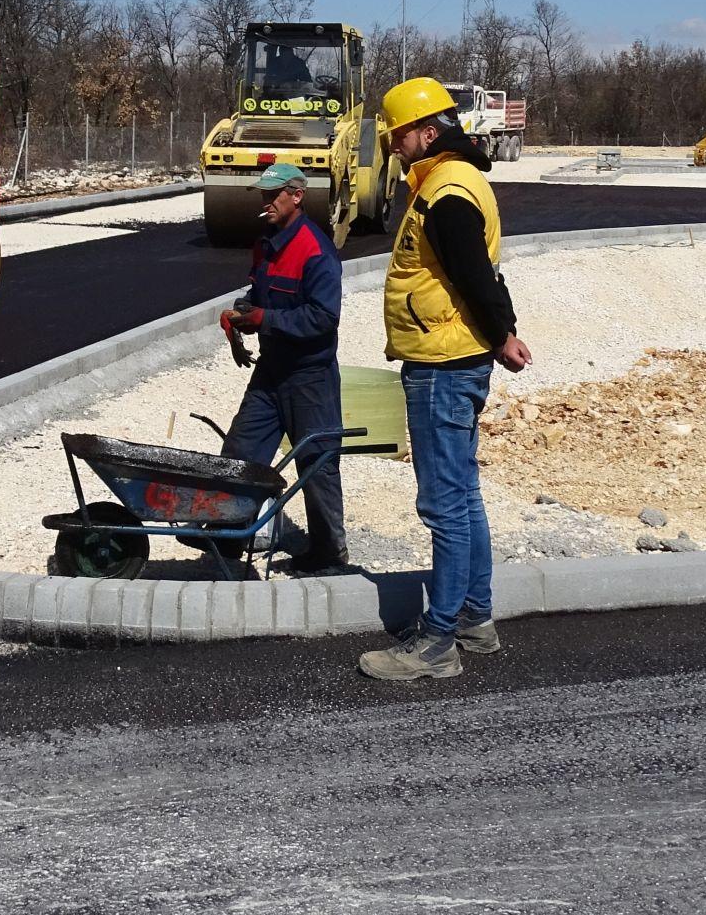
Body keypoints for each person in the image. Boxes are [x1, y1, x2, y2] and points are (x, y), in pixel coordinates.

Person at [359, 78, 532, 684]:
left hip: (441, 364)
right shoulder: (455, 182)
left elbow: (474, 275)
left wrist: (501, 330)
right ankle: (475, 619)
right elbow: (480, 271)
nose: (395, 147)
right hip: (456, 357)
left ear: (429, 132)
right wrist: (503, 333)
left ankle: (438, 643)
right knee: (463, 496)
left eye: (400, 135)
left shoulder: (447, 192)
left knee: (443, 505)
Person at [218, 161, 348, 573]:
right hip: (272, 370)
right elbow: (259, 295)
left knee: (317, 464)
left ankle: (330, 553)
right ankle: (226, 535)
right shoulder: (267, 244)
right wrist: (240, 316)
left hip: (310, 376)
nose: (266, 201)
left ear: (297, 196)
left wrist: (265, 320)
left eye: (274, 194)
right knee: (242, 452)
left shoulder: (316, 250)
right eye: (263, 194)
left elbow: (324, 318)